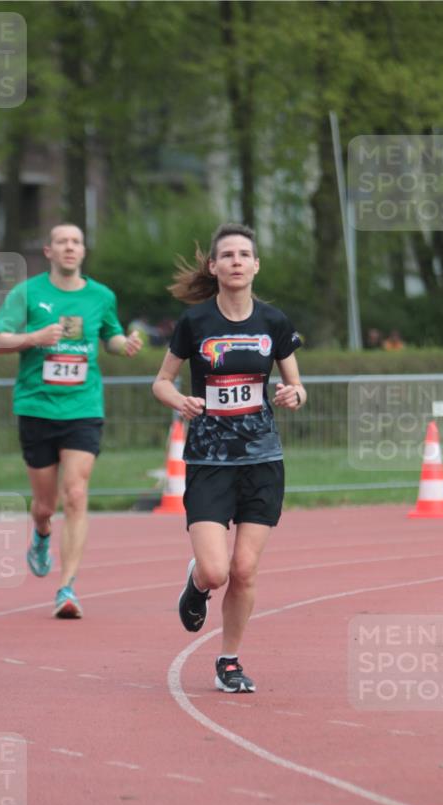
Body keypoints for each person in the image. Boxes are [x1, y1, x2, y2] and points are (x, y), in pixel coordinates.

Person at [152, 222, 305, 693]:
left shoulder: (274, 322)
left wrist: (294, 394)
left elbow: (297, 384)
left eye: (245, 254)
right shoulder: (195, 324)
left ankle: (229, 660)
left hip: (261, 461)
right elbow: (161, 381)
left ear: (256, 265)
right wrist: (180, 401)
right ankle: (196, 585)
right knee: (217, 571)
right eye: (228, 255)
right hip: (209, 462)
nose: (237, 261)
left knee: (243, 571)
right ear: (214, 267)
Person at [0, 223, 142, 618]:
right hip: (37, 407)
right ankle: (41, 532)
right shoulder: (28, 293)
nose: (70, 247)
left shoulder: (101, 296)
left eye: (76, 242)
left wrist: (125, 345)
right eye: (62, 242)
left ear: (83, 251)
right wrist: (33, 338)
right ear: (49, 251)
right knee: (45, 504)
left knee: (75, 494)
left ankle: (67, 587)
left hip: (83, 409)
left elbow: (111, 335)